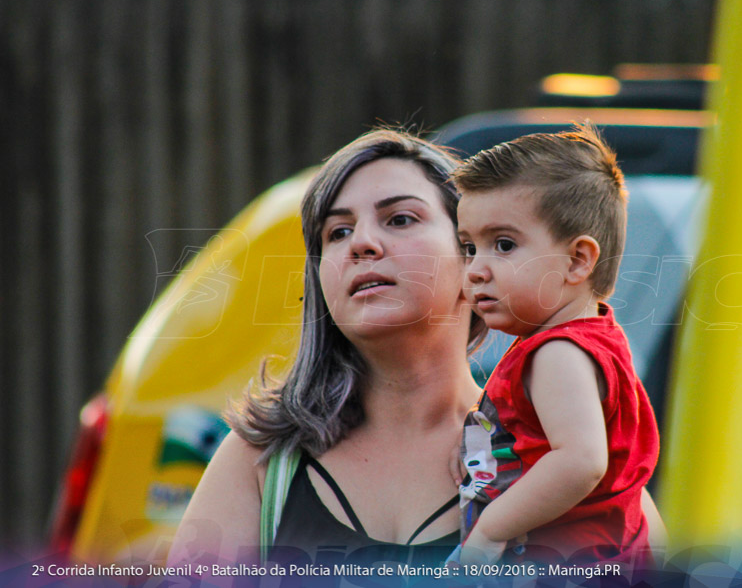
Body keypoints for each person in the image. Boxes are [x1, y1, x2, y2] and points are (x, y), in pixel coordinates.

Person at [168, 130, 487, 567]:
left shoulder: (544, 448)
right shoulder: (263, 460)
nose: (361, 243)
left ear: (472, 257)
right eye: (337, 232)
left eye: (399, 219)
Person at [450, 123, 659, 567]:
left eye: (503, 244)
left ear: (578, 260)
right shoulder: (598, 338)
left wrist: (490, 529)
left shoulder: (556, 354)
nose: (475, 270)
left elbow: (581, 462)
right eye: (469, 247)